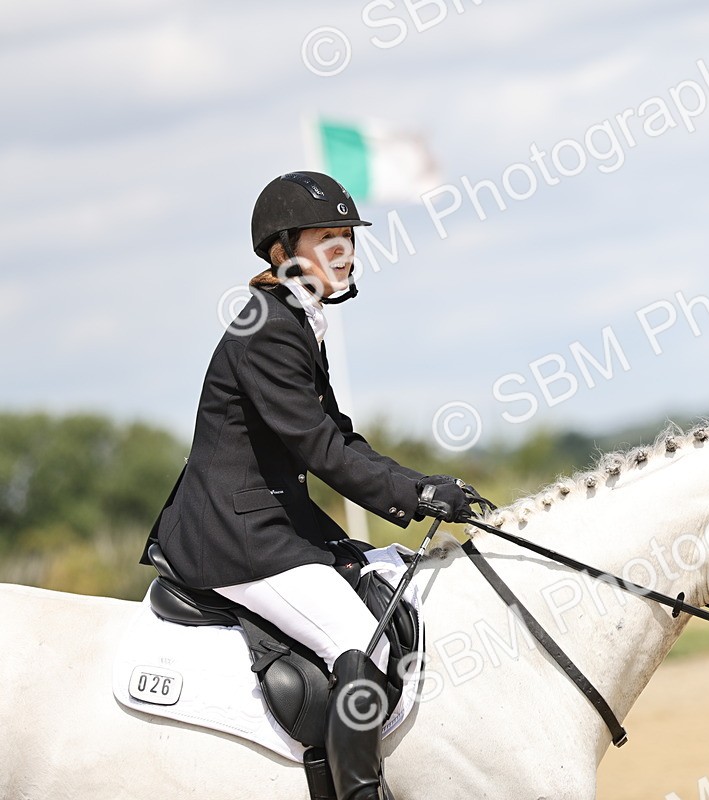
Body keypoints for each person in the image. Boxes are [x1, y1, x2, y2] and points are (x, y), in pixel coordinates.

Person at [141, 171, 480, 800]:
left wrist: (423, 483)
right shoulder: (267, 328)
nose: (344, 251)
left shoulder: (296, 319)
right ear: (282, 251)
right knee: (361, 642)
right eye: (328, 238)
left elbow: (341, 436)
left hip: (276, 521)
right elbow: (321, 450)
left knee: (389, 575)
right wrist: (416, 497)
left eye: (348, 238)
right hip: (235, 534)